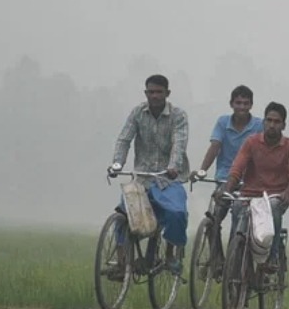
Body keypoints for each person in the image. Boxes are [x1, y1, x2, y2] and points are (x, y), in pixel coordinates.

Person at [107, 74, 189, 274]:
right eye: (151, 92)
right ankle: (121, 261)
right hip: (142, 178)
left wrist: (173, 166)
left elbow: (179, 144)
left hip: (168, 178)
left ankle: (170, 253)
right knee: (123, 213)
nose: (154, 96)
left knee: (176, 213)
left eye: (159, 92)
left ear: (167, 93)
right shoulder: (138, 113)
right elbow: (124, 139)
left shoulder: (178, 116)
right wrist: (117, 163)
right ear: (145, 93)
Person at [223, 102, 289, 268]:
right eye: (269, 120)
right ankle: (233, 257)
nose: (272, 125)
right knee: (236, 206)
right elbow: (237, 167)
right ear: (263, 122)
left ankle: (272, 257)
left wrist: (288, 192)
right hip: (250, 194)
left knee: (274, 208)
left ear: (283, 125)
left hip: (275, 196)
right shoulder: (251, 142)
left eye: (277, 122)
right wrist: (227, 189)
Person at [189, 85, 263, 263]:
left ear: (251, 105)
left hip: (247, 182)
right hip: (224, 178)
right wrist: (202, 170)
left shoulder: (259, 125)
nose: (242, 107)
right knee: (214, 217)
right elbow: (215, 147)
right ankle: (217, 259)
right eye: (238, 103)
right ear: (231, 104)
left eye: (245, 103)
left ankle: (233, 259)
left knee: (239, 215)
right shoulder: (223, 123)